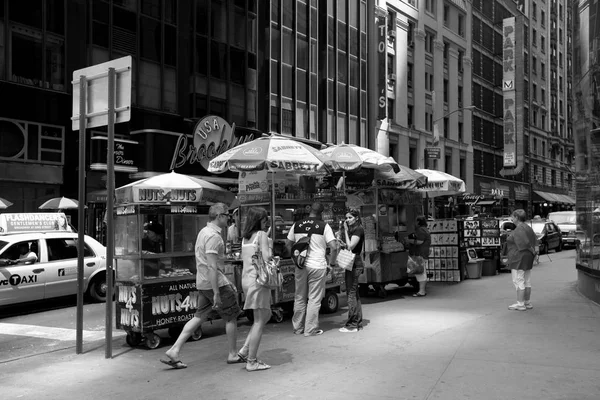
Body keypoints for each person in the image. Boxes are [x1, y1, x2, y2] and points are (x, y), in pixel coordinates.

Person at [161, 203, 243, 369]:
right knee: (231, 316)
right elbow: (212, 266)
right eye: (227, 215)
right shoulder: (213, 236)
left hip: (203, 282)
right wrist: (217, 293)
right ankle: (233, 354)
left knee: (199, 316)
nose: (229, 219)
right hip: (214, 284)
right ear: (219, 216)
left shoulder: (203, 232)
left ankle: (174, 350)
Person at [286, 203, 339, 336]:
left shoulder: (297, 225)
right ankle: (310, 330)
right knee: (314, 299)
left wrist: (295, 259)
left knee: (299, 297)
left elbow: (288, 244)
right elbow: (334, 247)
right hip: (317, 266)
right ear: (322, 213)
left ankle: (297, 328)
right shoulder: (324, 226)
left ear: (309, 210)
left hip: (301, 265)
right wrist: (331, 264)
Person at [237, 207, 273, 371]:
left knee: (266, 314)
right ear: (259, 220)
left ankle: (245, 350)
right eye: (265, 220)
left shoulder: (245, 238)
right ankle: (251, 360)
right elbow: (267, 257)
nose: (266, 223)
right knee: (259, 320)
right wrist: (269, 244)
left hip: (247, 280)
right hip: (259, 281)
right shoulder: (262, 235)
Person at [505, 209, 537, 311]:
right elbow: (534, 241)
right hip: (527, 256)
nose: (512, 219)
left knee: (518, 280)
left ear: (517, 218)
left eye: (513, 217)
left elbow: (524, 243)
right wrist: (534, 252)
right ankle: (527, 302)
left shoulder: (519, 229)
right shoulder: (528, 228)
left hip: (518, 257)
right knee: (527, 280)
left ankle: (520, 303)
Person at [339, 209, 365, 333]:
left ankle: (353, 324)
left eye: (349, 217)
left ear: (356, 218)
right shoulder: (355, 230)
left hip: (355, 262)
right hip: (353, 262)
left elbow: (351, 247)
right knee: (354, 293)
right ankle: (357, 321)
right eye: (346, 218)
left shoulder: (358, 229)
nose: (347, 220)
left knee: (351, 293)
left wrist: (345, 230)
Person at [407, 216, 431, 297]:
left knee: (420, 272)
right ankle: (422, 290)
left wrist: (409, 241)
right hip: (423, 253)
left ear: (418, 222)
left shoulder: (421, 230)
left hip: (420, 253)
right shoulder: (425, 229)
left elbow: (420, 242)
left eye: (415, 221)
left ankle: (422, 291)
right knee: (421, 272)